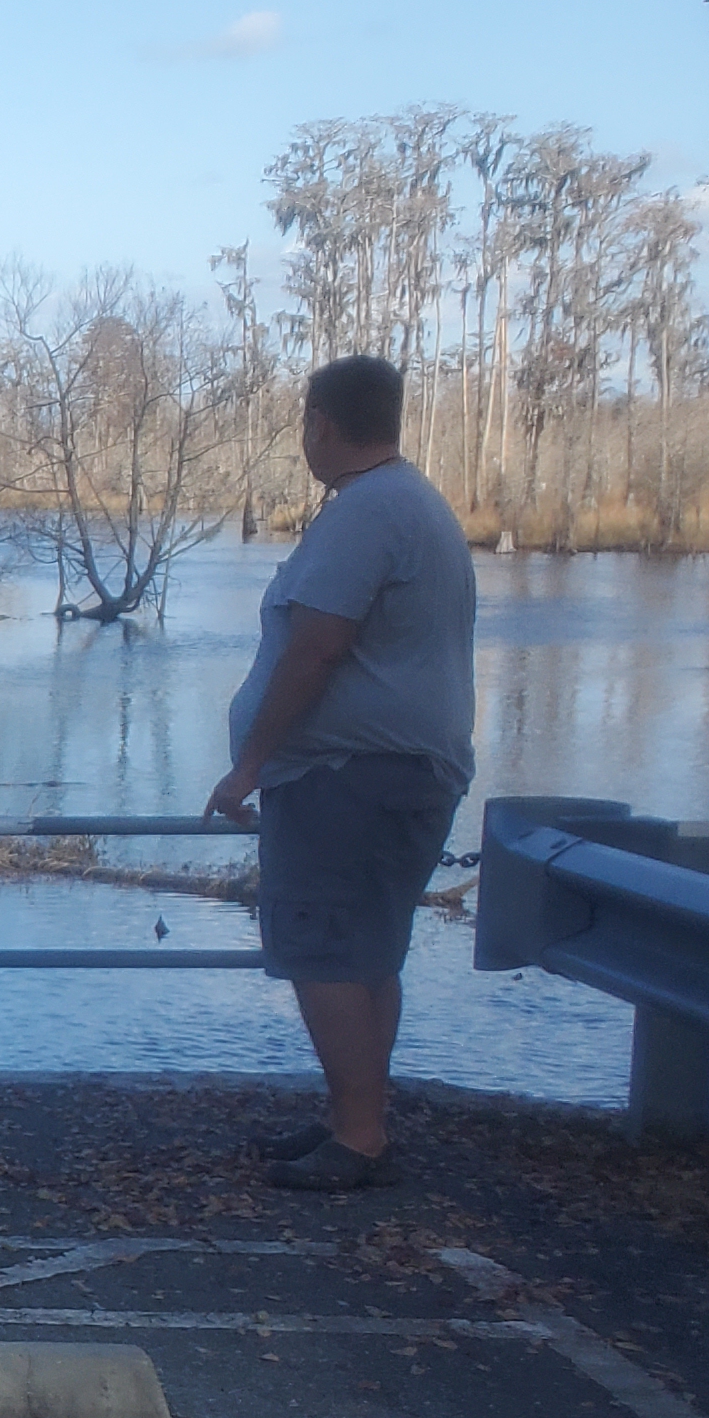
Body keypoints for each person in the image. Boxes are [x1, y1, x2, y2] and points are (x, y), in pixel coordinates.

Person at [206, 354, 478, 1192]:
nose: (303, 438)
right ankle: (354, 1120)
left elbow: (317, 646)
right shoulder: (413, 503)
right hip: (401, 770)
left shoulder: (366, 512)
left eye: (304, 423)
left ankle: (358, 1136)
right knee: (365, 952)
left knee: (322, 947)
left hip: (346, 776)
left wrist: (250, 764)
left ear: (321, 422)